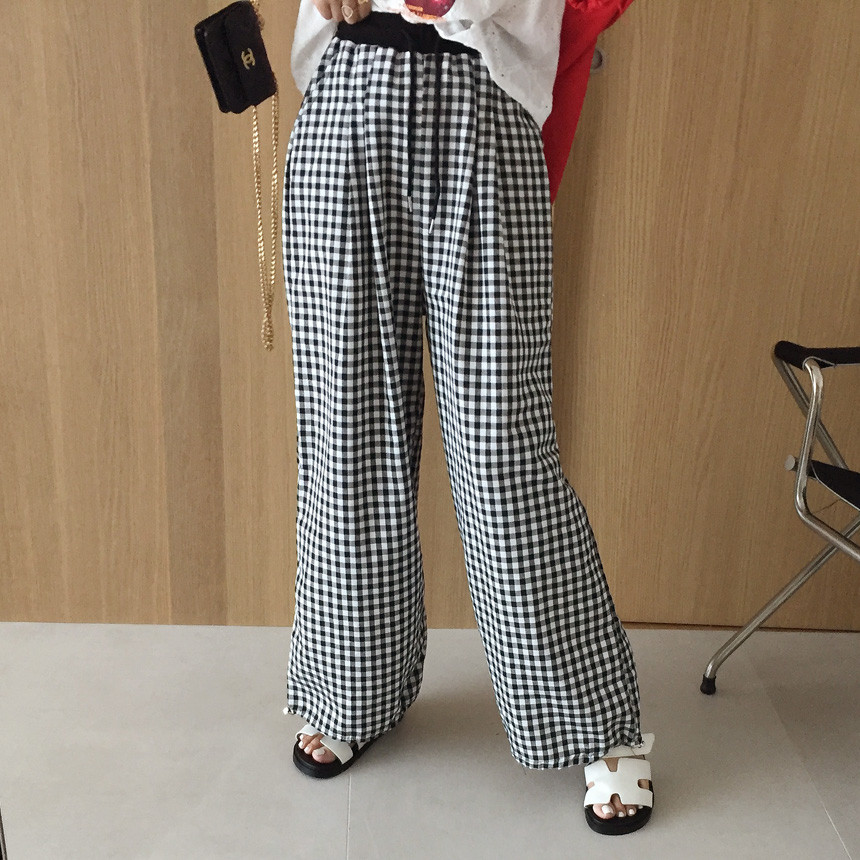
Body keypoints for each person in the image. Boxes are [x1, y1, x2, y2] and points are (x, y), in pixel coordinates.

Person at [281, 0, 654, 836]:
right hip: (347, 92)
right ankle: (350, 688)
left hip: (484, 89)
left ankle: (599, 722)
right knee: (345, 430)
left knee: (500, 448)